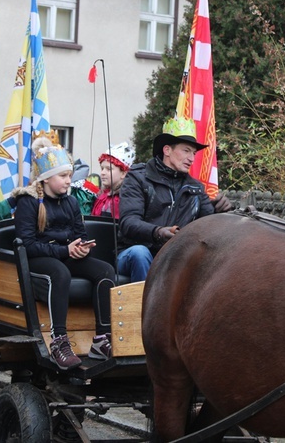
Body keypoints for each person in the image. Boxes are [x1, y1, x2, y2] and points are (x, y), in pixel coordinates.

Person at [13, 137, 115, 370]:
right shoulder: (28, 202)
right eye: (63, 176)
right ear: (46, 178)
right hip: (40, 258)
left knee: (105, 270)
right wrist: (63, 250)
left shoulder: (70, 202)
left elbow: (79, 233)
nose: (69, 181)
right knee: (59, 273)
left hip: (66, 253)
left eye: (70, 175)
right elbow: (27, 244)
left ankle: (102, 338)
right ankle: (59, 340)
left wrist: (82, 247)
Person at [117, 117, 232, 282]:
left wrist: (222, 211)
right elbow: (128, 223)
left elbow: (209, 225)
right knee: (140, 253)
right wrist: (157, 232)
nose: (192, 158)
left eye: (194, 153)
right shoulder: (138, 178)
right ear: (167, 150)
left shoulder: (196, 188)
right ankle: (144, 307)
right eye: (186, 150)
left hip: (174, 256)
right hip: (133, 253)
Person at [91, 142, 135, 219]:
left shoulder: (126, 198)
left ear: (123, 173)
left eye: (109, 169)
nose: (102, 173)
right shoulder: (102, 196)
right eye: (102, 168)